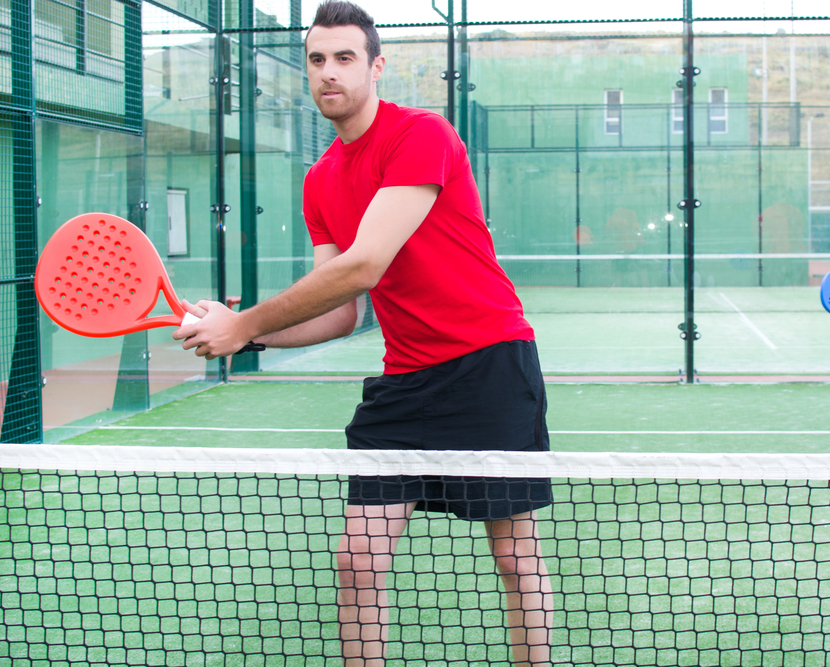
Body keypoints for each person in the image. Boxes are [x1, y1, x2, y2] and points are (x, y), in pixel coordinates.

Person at [174, 2, 554, 665]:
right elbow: (342, 308)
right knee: (357, 560)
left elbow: (364, 264)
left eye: (345, 58)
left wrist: (244, 322)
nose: (329, 73)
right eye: (316, 60)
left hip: (491, 361)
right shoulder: (321, 180)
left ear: (376, 67)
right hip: (405, 382)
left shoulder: (421, 135)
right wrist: (249, 338)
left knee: (515, 558)